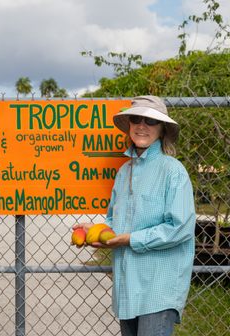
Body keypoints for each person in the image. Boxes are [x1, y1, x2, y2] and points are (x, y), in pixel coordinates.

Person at [74, 95, 196, 336]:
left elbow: (180, 227)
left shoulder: (173, 171)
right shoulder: (123, 172)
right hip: (128, 286)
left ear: (162, 130)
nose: (142, 126)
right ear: (129, 125)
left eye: (150, 121)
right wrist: (98, 230)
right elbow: (114, 219)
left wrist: (130, 239)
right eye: (136, 119)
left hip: (157, 288)